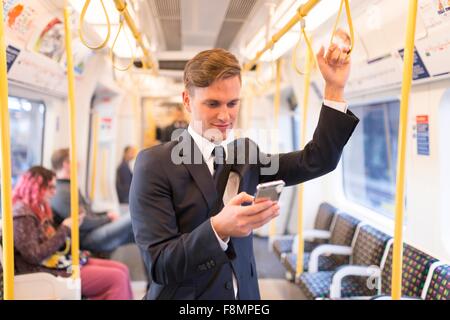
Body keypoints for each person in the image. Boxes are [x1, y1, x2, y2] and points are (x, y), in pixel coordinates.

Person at [130, 31, 359, 300]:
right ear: (187, 100)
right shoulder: (154, 164)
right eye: (212, 103)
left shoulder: (245, 154)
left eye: (232, 103)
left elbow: (317, 160)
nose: (225, 115)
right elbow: (159, 264)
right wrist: (218, 229)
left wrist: (334, 89)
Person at [12, 166, 133, 299]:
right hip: (47, 271)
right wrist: (65, 228)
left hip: (59, 263)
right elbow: (33, 255)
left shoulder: (36, 211)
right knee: (116, 277)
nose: (54, 192)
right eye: (50, 187)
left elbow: (50, 245)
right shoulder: (23, 216)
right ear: (36, 188)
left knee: (122, 269)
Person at [50, 148, 135, 254]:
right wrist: (107, 218)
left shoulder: (69, 187)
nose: (78, 163)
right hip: (87, 237)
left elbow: (88, 213)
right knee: (135, 215)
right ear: (66, 164)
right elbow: (82, 222)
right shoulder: (61, 192)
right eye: (75, 160)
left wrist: (105, 214)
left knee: (141, 233)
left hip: (93, 230)